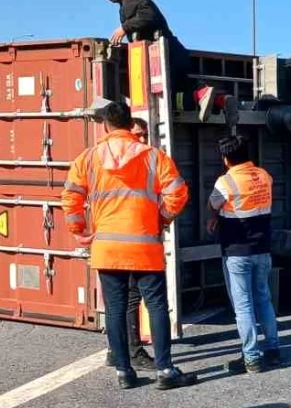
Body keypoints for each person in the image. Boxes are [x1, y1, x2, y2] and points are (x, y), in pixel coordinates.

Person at [64, 100, 196, 390]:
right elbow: (178, 193)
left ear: (105, 125)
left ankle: (124, 371)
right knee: (157, 306)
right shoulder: (152, 156)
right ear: (129, 124)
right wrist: (162, 218)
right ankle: (165, 371)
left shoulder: (87, 158)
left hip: (107, 247)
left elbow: (71, 198)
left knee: (115, 309)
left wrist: (78, 230)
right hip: (144, 246)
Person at [205, 135, 281, 373]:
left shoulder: (225, 181)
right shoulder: (264, 175)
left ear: (226, 159)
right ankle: (273, 350)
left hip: (237, 251)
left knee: (243, 306)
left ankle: (251, 357)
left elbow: (213, 204)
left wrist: (214, 217)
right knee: (264, 299)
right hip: (263, 249)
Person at [103, 116, 157, 372]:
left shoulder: (141, 161)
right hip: (133, 242)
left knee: (121, 302)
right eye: (139, 134)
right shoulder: (138, 163)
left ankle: (118, 353)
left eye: (145, 135)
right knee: (130, 299)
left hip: (113, 242)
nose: (143, 139)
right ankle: (132, 352)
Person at [95, 0, 192, 104]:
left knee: (169, 100)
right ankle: (218, 99)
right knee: (176, 100)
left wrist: (124, 28)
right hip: (169, 55)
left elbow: (149, 15)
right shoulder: (126, 3)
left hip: (168, 56)